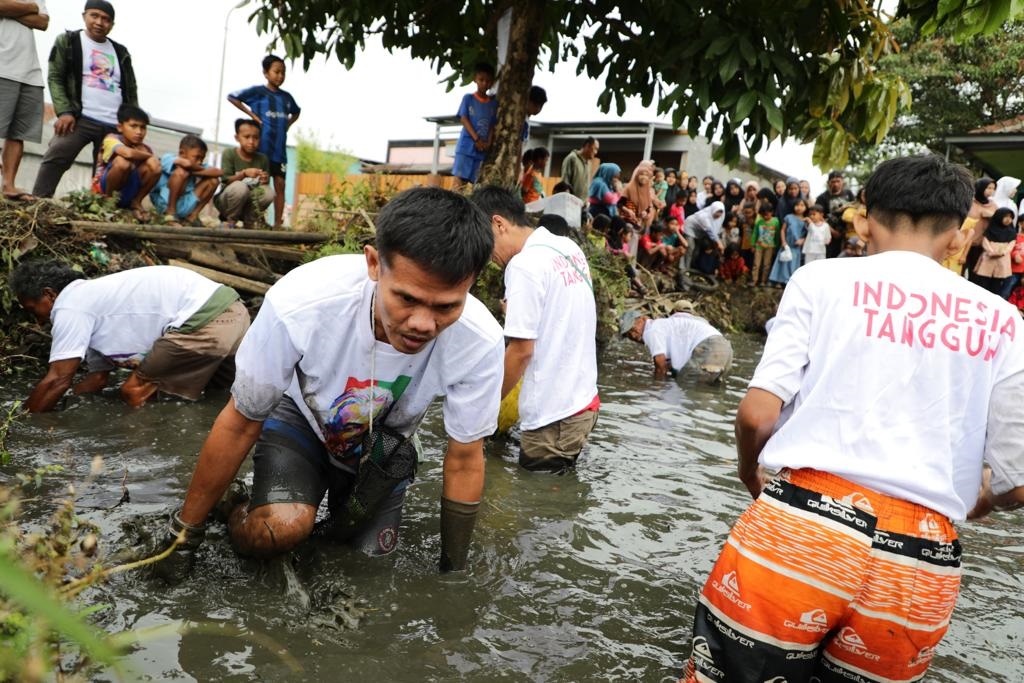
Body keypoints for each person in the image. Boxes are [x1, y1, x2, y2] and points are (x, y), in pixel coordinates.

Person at [680, 154, 1024, 683]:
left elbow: (756, 414)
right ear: (959, 237)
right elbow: (1016, 483)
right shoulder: (1004, 321)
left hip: (803, 526)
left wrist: (751, 472)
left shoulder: (820, 281)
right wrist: (983, 499)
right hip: (920, 560)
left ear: (863, 219)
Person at [152, 187, 503, 582]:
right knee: (279, 531)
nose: (423, 323)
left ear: (472, 283)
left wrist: (453, 574)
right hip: (300, 420)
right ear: (374, 263)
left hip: (383, 443)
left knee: (370, 565)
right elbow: (241, 420)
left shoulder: (481, 341)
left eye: (446, 306)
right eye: (406, 298)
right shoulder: (303, 303)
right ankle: (235, 505)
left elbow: (464, 456)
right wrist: (182, 537)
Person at [12, 261, 249, 413]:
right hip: (236, 313)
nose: (38, 321)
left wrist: (22, 420)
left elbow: (57, 380)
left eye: (34, 309)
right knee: (221, 398)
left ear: (50, 294)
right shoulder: (94, 300)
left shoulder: (68, 306)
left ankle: (145, 452)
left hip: (207, 319)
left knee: (133, 391)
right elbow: (97, 379)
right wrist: (70, 403)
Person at [474, 186, 599, 472]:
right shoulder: (567, 247)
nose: (488, 255)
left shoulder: (523, 266)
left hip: (552, 416)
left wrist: (483, 410)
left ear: (499, 224)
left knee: (535, 509)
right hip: (582, 402)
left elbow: (520, 352)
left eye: (485, 242)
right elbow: (562, 311)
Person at [32, 0, 138, 199]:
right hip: (79, 117)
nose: (99, 22)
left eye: (106, 19)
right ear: (84, 16)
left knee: (109, 169)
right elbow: (56, 77)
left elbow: (131, 89)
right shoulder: (68, 41)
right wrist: (64, 111)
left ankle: (102, 210)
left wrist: (132, 125)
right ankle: (39, 202)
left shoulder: (121, 52)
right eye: (94, 16)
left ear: (112, 25)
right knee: (57, 153)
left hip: (114, 124)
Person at [227, 55, 301, 228]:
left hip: (280, 150)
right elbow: (232, 97)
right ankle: (257, 220)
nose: (280, 76)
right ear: (266, 73)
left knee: (280, 184)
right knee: (262, 185)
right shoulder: (258, 92)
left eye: (283, 73)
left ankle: (277, 223)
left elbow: (297, 112)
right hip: (263, 149)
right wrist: (253, 116)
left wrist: (287, 125)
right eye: (276, 72)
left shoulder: (286, 97)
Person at [0, 0, 48, 201]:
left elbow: (43, 22)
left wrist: (10, 10)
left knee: (18, 133)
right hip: (3, 65)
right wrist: (30, 7)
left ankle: (8, 185)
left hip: (30, 71)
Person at [621, 300, 733, 384]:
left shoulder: (651, 330)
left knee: (685, 386)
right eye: (628, 335)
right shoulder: (667, 325)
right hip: (726, 349)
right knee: (709, 388)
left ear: (644, 318)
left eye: (633, 328)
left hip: (708, 347)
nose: (633, 335)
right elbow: (674, 360)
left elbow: (660, 365)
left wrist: (656, 388)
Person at [90, 103, 160, 220]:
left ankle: (136, 202)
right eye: (133, 126)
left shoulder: (145, 148)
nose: (139, 131)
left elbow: (153, 166)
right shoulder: (111, 139)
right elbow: (127, 153)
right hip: (104, 190)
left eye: (143, 127)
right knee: (123, 162)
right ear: (120, 127)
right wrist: (148, 155)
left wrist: (149, 156)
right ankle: (108, 202)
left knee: (155, 165)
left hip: (128, 192)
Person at [150, 135, 221, 226]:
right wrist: (197, 171)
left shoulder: (197, 166)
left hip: (185, 203)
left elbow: (219, 172)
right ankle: (170, 214)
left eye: (202, 159)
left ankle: (192, 216)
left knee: (214, 181)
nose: (199, 162)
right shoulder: (168, 158)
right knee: (181, 172)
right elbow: (186, 164)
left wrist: (194, 172)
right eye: (197, 157)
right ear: (182, 153)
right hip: (164, 203)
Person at [216, 118, 274, 228]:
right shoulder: (229, 153)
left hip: (249, 205)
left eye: (255, 138)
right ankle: (230, 221)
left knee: (268, 192)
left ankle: (250, 222)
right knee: (240, 187)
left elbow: (264, 187)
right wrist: (244, 174)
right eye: (247, 137)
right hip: (227, 202)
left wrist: (264, 181)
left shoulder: (263, 159)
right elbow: (226, 180)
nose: (251, 142)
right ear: (237, 138)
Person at [451, 62, 496, 188]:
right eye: (481, 80)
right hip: (466, 146)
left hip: (481, 150)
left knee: (473, 183)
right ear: (475, 79)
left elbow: (492, 125)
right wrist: (476, 139)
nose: (484, 83)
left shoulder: (493, 104)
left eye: (488, 81)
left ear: (492, 82)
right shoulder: (468, 98)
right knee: (458, 180)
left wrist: (488, 143)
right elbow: (464, 118)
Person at [973, 207, 1016, 295]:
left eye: (1011, 217)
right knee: (983, 283)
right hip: (988, 258)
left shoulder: (1011, 232)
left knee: (997, 285)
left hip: (1002, 260)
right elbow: (985, 241)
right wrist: (991, 251)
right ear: (999, 216)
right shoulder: (990, 229)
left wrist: (1003, 252)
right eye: (1006, 216)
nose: (1008, 219)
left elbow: (1011, 244)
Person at [814, 170, 855, 258]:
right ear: (828, 183)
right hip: (829, 234)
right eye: (833, 182)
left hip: (847, 233)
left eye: (838, 181)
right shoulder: (822, 198)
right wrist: (833, 232)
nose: (835, 184)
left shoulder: (849, 194)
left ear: (842, 181)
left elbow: (855, 209)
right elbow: (818, 217)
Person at [769, 197, 809, 286]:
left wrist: (802, 240)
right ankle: (779, 281)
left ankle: (789, 282)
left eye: (802, 205)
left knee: (793, 264)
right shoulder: (789, 217)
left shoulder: (806, 220)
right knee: (783, 263)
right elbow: (783, 230)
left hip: (796, 247)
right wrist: (783, 241)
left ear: (806, 207)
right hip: (787, 245)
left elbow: (808, 234)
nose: (799, 207)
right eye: (797, 205)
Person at [961, 177, 996, 276]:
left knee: (975, 274)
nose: (991, 191)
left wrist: (992, 216)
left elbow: (1000, 222)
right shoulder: (969, 202)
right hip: (964, 242)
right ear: (981, 187)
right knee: (960, 271)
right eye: (988, 188)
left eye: (993, 189)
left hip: (981, 245)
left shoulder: (993, 206)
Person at [683, 201, 725, 271]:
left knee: (696, 250)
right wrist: (719, 243)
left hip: (700, 232)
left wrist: (719, 243)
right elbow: (710, 231)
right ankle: (684, 268)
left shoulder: (720, 216)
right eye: (717, 212)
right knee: (690, 247)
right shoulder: (704, 217)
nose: (719, 214)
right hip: (690, 228)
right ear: (713, 210)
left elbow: (716, 230)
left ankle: (691, 266)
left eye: (721, 212)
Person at [752, 202, 780, 286]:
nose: (765, 217)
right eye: (763, 215)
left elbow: (777, 234)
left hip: (770, 246)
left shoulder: (776, 221)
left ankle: (763, 281)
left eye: (767, 214)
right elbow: (755, 233)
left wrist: (776, 245)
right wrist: (753, 244)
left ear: (771, 212)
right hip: (759, 246)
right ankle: (754, 280)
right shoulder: (759, 222)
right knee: (756, 264)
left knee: (766, 264)